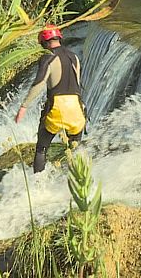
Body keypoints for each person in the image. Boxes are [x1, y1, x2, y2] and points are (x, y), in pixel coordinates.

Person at [15, 24, 86, 173]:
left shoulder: (48, 58)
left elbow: (39, 83)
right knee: (74, 149)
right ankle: (76, 179)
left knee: (41, 148)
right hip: (77, 110)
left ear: (44, 42)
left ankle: (38, 183)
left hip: (57, 109)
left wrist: (24, 106)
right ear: (59, 38)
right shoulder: (75, 57)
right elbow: (78, 84)